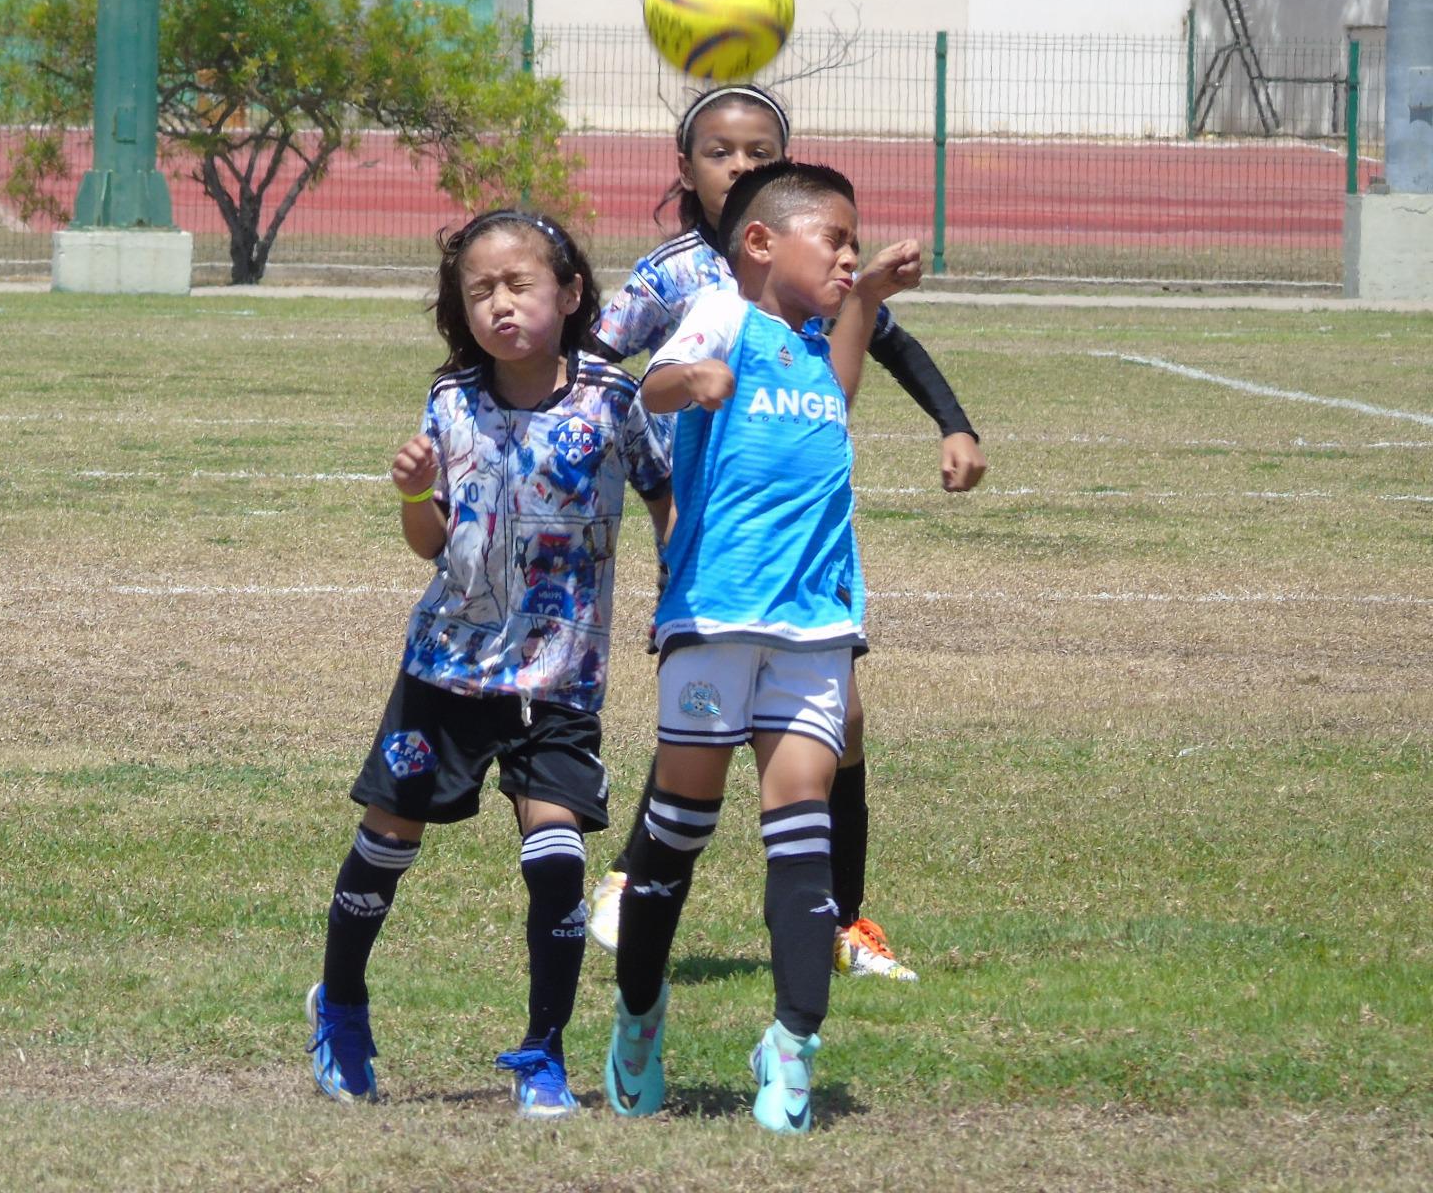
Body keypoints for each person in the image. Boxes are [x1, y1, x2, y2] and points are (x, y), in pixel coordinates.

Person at [585, 85, 987, 981]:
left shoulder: (819, 273)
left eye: (759, 151)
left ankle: (842, 924)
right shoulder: (684, 279)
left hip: (807, 571)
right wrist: (645, 466)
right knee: (706, 733)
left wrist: (951, 420)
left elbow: (877, 347)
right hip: (717, 543)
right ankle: (633, 879)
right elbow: (610, 371)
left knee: (837, 724)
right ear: (686, 168)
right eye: (721, 152)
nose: (741, 166)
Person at [307, 208, 673, 1118]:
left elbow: (666, 496)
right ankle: (341, 1006)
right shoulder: (451, 403)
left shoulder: (612, 399)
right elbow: (431, 543)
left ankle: (543, 1053)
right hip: (447, 672)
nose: (500, 304)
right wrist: (413, 491)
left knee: (556, 861)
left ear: (571, 293)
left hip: (560, 676)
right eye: (480, 291)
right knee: (389, 841)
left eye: (519, 285)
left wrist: (678, 595)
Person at [604, 160, 921, 1134]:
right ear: (759, 243)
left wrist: (863, 295)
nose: (847, 252)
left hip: (816, 630)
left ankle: (790, 1045)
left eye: (853, 242)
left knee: (801, 839)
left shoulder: (813, 349)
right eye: (834, 238)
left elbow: (841, 388)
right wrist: (682, 380)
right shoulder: (721, 316)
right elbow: (650, 389)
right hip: (718, 619)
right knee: (678, 833)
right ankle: (641, 1014)